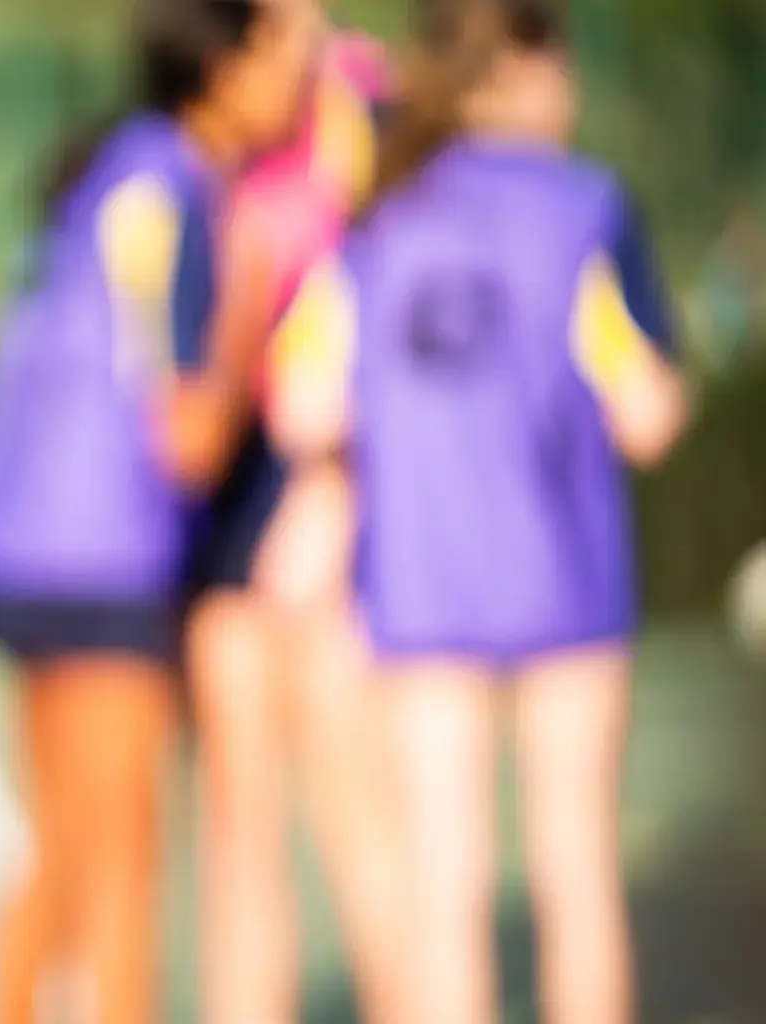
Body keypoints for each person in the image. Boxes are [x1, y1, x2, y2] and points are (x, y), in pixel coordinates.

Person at [273, 0, 688, 1020]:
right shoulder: (583, 208)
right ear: (523, 71)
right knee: (576, 867)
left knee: (442, 886)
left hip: (420, 589)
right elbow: (647, 415)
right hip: (568, 584)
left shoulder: (378, 220)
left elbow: (301, 403)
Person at [0, 1, 321, 1020]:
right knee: (117, 866)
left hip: (23, 541)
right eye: (293, 52)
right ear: (224, 63)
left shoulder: (112, 168)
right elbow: (185, 434)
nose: (310, 77)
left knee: (58, 852)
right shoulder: (171, 192)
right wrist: (252, 304)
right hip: (97, 553)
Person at [187, 27, 405, 1024]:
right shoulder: (212, 112)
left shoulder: (361, 101)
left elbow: (398, 294)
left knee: (356, 814)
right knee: (240, 826)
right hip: (230, 501)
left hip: (329, 482)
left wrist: (335, 487)